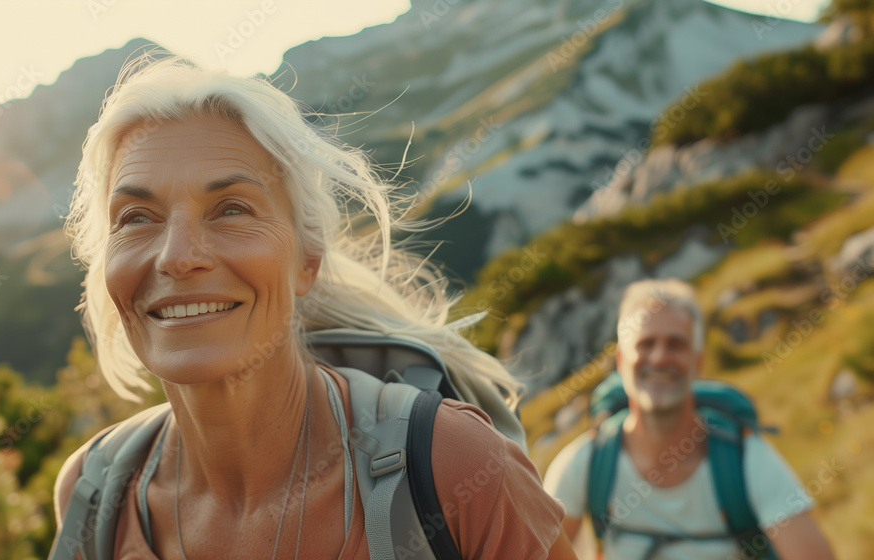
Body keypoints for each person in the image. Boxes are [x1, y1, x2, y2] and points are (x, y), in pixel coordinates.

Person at [50, 55, 577, 559]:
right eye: (136, 217)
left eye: (231, 209)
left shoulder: (456, 467)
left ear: (307, 258)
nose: (178, 255)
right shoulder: (94, 495)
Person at [543, 279, 836, 559]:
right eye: (646, 344)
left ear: (697, 362)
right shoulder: (584, 464)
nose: (659, 358)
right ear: (621, 361)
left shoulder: (748, 460)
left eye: (675, 344)